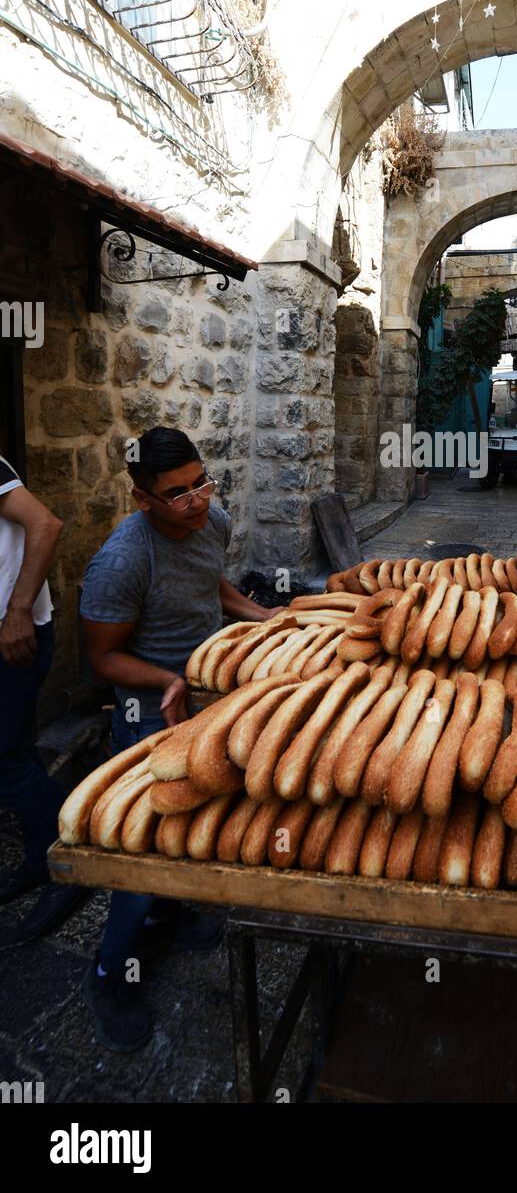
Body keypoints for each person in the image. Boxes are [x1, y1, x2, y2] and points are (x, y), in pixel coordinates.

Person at [78, 427, 275, 1052]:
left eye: (201, 483)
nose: (196, 501)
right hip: (148, 713)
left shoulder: (208, 519)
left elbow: (209, 584)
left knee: (194, 822)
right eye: (177, 494)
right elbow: (102, 658)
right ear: (143, 500)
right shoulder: (123, 560)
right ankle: (111, 974)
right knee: (140, 849)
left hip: (202, 700)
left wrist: (263, 615)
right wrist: (166, 679)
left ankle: (170, 910)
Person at [0, 456, 86, 944]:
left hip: (13, 634)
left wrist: (16, 614)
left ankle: (70, 861)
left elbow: (45, 525)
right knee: (17, 748)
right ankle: (41, 857)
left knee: (6, 760)